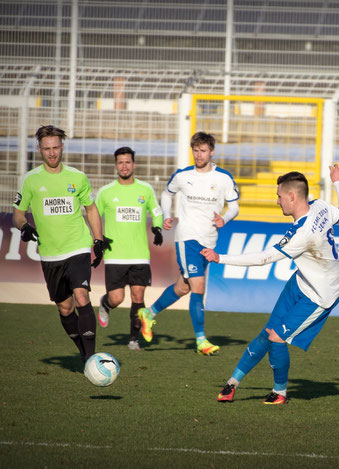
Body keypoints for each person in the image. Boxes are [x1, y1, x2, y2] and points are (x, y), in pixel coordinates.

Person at [202, 164, 339, 404]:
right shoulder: (321, 206)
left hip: (321, 295)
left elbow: (263, 258)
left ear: (292, 196)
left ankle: (280, 393)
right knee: (267, 332)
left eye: (279, 196)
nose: (277, 202)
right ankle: (232, 384)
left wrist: (220, 258)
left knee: (276, 339)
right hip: (302, 282)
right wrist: (338, 182)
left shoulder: (302, 234)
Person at [13, 125, 110, 364]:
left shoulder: (77, 177)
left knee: (82, 296)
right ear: (39, 150)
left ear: (62, 147)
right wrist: (24, 227)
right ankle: (83, 350)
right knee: (65, 308)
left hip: (77, 247)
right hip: (50, 255)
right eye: (47, 148)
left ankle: (91, 359)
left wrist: (98, 240)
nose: (52, 153)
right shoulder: (30, 180)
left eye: (56, 147)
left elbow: (91, 209)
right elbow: (17, 214)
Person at [137, 131, 239, 355]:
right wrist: (166, 215)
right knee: (198, 288)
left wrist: (226, 218)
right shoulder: (183, 175)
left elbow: (234, 206)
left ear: (212, 152)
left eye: (203, 150)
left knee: (183, 286)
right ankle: (201, 341)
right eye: (195, 150)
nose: (199, 154)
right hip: (187, 237)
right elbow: (166, 194)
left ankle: (149, 313)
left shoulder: (223, 178)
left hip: (209, 240)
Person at [95, 147, 164, 351]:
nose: (124, 166)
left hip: (139, 254)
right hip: (115, 255)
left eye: (127, 162)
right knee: (117, 298)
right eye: (120, 162)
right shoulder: (106, 192)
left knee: (138, 297)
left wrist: (157, 227)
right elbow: (93, 216)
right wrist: (98, 238)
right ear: (116, 165)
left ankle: (134, 339)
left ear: (134, 164)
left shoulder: (145, 189)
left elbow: (157, 211)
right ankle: (105, 303)